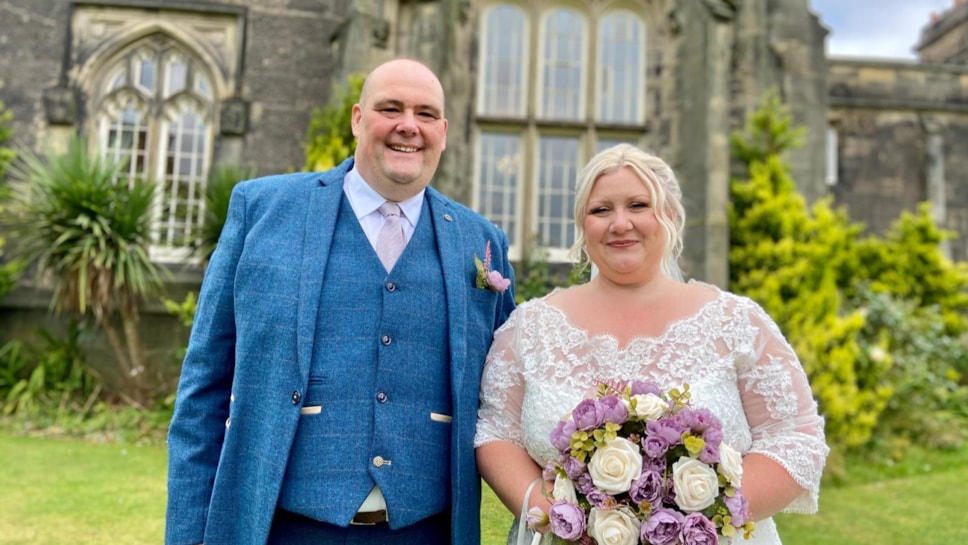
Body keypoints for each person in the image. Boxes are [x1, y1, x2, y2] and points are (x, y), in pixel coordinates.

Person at [165, 58, 516, 545]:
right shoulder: (261, 210)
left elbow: (504, 407)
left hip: (427, 532)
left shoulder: (484, 244)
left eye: (425, 114)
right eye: (390, 108)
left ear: (444, 130)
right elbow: (202, 391)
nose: (407, 126)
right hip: (285, 528)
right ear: (357, 118)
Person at [475, 143, 828, 545]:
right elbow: (495, 431)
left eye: (639, 205)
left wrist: (700, 518)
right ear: (582, 225)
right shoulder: (530, 327)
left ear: (671, 216)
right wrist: (561, 516)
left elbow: (796, 438)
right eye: (601, 210)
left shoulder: (736, 322)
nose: (620, 223)